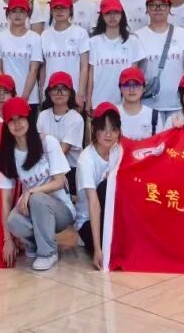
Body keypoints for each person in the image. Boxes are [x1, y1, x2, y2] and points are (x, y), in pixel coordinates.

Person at [0, 97, 75, 271]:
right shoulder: (7, 154)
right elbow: (5, 201)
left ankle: (48, 252)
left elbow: (59, 182)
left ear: (29, 119)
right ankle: (33, 244)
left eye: (21, 118)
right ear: (6, 125)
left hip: (61, 211)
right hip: (33, 211)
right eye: (11, 120)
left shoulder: (48, 143)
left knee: (37, 198)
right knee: (13, 220)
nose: (17, 124)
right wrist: (8, 239)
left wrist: (31, 191)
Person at [76, 102, 123, 271]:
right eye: (103, 128)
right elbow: (94, 203)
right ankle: (90, 240)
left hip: (112, 216)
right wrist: (97, 249)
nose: (108, 134)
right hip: (89, 221)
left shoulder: (118, 150)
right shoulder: (86, 159)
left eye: (113, 129)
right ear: (95, 130)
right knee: (105, 187)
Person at [136, 0, 184, 133]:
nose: (158, 8)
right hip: (148, 105)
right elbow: (135, 71)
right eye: (153, 5)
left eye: (162, 5)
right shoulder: (137, 36)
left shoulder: (183, 34)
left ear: (169, 8)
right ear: (147, 9)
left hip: (177, 104)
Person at [87, 0, 146, 109]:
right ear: (102, 16)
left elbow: (134, 73)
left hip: (125, 103)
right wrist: (89, 100)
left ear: (122, 14)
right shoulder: (93, 42)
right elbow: (91, 75)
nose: (112, 16)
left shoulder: (133, 41)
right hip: (99, 101)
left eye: (116, 12)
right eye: (108, 13)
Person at [0, 0, 44, 111]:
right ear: (8, 14)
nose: (17, 15)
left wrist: (24, 98)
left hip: (29, 99)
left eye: (22, 11)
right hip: (6, 99)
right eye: (14, 11)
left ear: (27, 14)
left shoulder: (35, 38)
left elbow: (34, 70)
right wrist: (5, 94)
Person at [40, 0, 90, 112]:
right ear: (51, 11)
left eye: (63, 8)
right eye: (56, 8)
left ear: (70, 10)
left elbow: (84, 66)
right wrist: (42, 90)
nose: (59, 11)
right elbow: (43, 67)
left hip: (73, 93)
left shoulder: (80, 33)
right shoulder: (45, 35)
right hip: (51, 93)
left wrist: (80, 94)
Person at [36, 72, 83, 188]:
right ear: (49, 92)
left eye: (64, 89)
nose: (59, 93)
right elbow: (37, 145)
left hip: (70, 170)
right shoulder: (43, 115)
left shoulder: (76, 118)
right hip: (45, 167)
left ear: (70, 93)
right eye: (55, 88)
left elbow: (63, 150)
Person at [117, 66, 154, 140]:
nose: (131, 89)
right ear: (120, 88)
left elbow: (160, 144)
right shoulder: (114, 113)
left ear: (144, 88)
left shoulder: (153, 115)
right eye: (127, 85)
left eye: (136, 85)